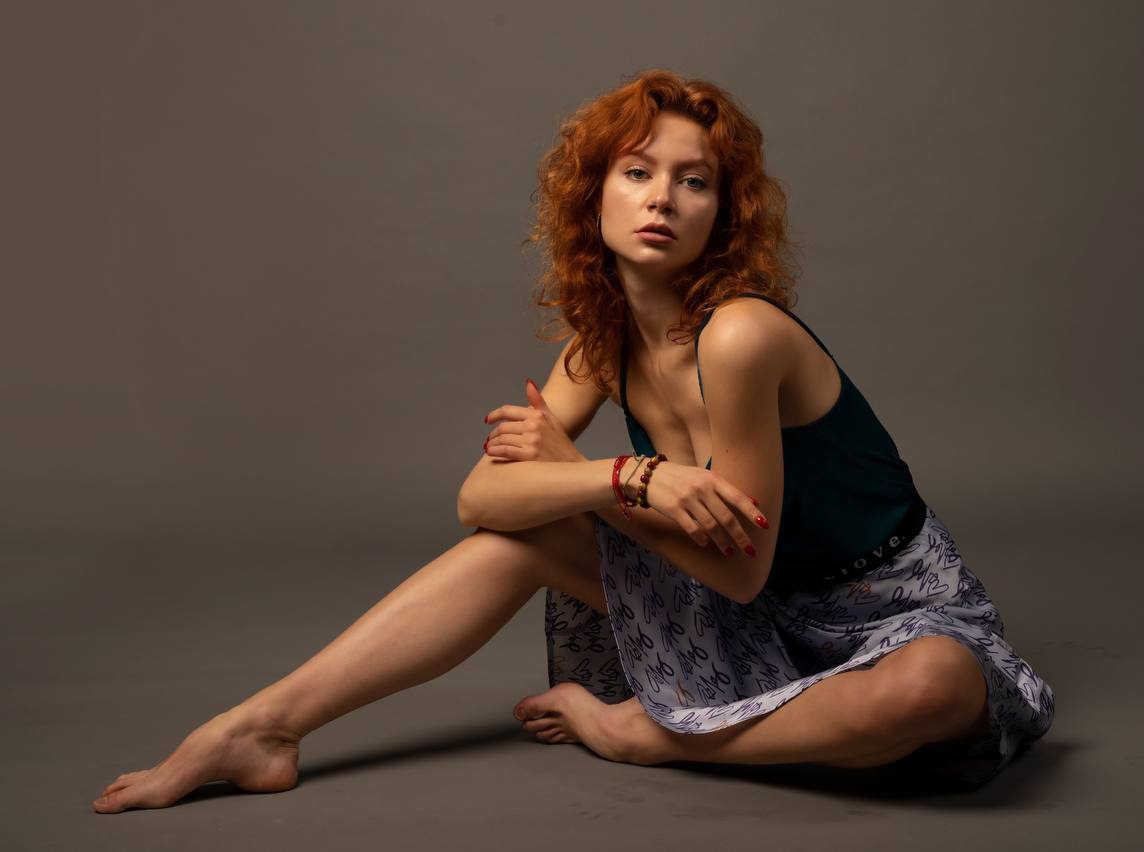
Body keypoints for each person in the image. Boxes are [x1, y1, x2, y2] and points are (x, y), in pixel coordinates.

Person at [92, 69, 1054, 814]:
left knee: (930, 691)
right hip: (749, 618)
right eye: (637, 173)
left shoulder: (741, 334)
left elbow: (742, 571)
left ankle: (648, 737)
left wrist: (591, 477)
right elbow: (480, 501)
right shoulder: (602, 342)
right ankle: (261, 727)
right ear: (594, 196)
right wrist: (628, 477)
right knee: (511, 540)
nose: (662, 198)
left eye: (693, 182)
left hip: (879, 618)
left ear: (723, 214)